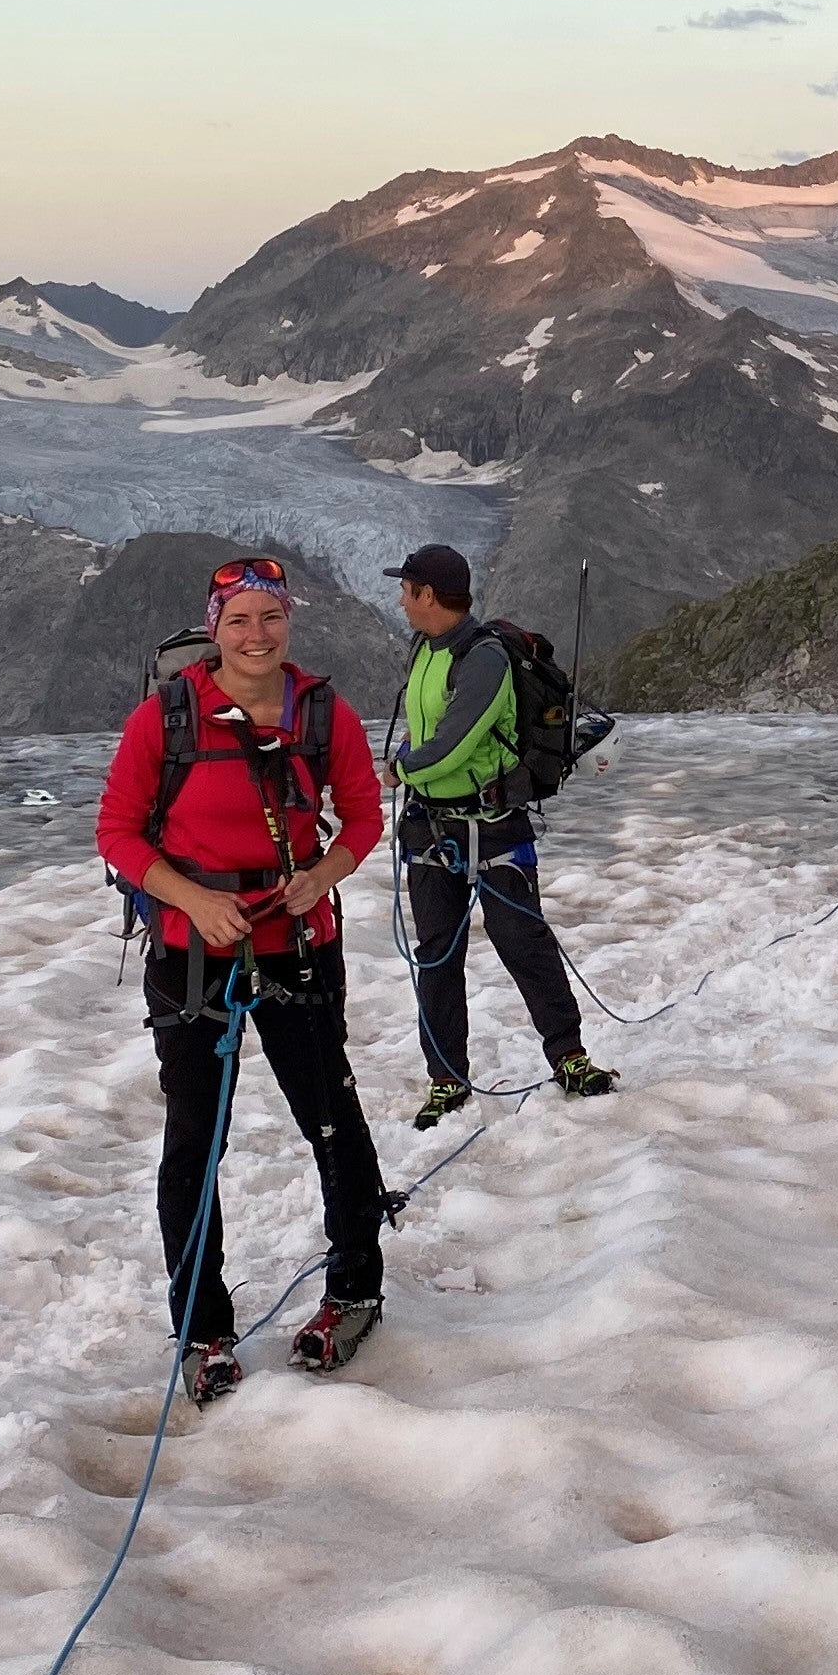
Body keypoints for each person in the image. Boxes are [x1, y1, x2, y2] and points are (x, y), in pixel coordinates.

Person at [96, 556, 389, 1405]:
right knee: (195, 1139)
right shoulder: (165, 718)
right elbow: (117, 831)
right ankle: (202, 1327)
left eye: (271, 617)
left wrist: (322, 873)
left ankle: (355, 1290)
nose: (257, 635)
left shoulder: (322, 713)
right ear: (213, 628)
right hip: (192, 952)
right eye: (239, 620)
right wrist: (193, 899)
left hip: (298, 939)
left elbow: (363, 815)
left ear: (288, 621)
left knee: (330, 1118)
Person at [386, 542, 615, 1129]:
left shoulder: (483, 657)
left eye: (406, 590)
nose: (401, 600)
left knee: (522, 942)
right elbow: (426, 729)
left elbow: (453, 743)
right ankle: (447, 1079)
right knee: (437, 955)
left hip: (490, 824)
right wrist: (411, 761)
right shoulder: (426, 648)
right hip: (433, 824)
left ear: (428, 595)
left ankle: (568, 1057)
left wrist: (400, 769)